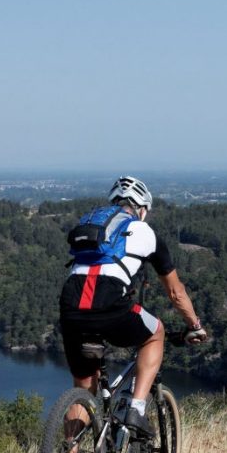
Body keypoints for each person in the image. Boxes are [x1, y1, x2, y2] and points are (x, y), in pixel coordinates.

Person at [59, 176, 208, 437]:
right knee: (155, 333)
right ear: (142, 208)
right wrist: (194, 325)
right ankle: (136, 410)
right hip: (110, 303)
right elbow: (175, 292)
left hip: (71, 305)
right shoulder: (144, 232)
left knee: (84, 390)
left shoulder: (94, 226)